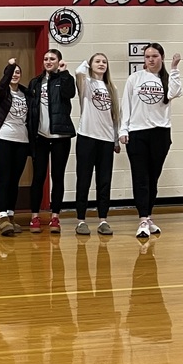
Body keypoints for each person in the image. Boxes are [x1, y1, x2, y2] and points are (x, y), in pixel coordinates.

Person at [120, 43, 182, 239]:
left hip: (160, 133)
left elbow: (175, 92)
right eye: (147, 56)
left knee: (153, 178)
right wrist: (123, 129)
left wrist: (174, 69)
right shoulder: (134, 79)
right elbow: (126, 105)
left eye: (155, 56)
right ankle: (142, 219)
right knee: (140, 177)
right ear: (144, 59)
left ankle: (149, 215)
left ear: (161, 58)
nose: (151, 59)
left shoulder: (166, 78)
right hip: (137, 133)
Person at [26, 49, 76, 234]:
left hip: (60, 137)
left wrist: (64, 73)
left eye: (52, 59)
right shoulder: (36, 82)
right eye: (46, 58)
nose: (48, 61)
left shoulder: (64, 79)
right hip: (40, 137)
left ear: (59, 61)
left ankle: (55, 217)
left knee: (58, 176)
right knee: (38, 177)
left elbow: (70, 93)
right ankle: (35, 217)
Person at [74, 53, 121, 236]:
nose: (101, 64)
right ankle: (81, 221)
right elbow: (78, 71)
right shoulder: (86, 83)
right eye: (97, 61)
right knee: (83, 180)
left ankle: (103, 220)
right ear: (91, 65)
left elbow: (116, 116)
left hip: (107, 140)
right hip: (87, 137)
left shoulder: (111, 87)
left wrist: (116, 140)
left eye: (104, 62)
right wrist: (87, 63)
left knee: (104, 182)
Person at [0, 58, 31, 236]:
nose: (15, 74)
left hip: (22, 140)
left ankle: (12, 216)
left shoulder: (26, 93)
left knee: (15, 180)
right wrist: (11, 66)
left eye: (18, 72)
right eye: (12, 72)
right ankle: (3, 217)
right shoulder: (1, 92)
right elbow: (0, 87)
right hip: (3, 138)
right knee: (4, 178)